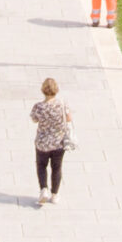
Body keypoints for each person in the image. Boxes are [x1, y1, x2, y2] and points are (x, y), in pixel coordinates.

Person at [30, 78, 73, 206]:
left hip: (42, 143)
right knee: (57, 167)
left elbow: (34, 119)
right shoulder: (63, 105)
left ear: (43, 90)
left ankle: (44, 189)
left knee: (41, 166)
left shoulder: (39, 107)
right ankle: (55, 194)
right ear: (56, 90)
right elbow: (69, 119)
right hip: (58, 143)